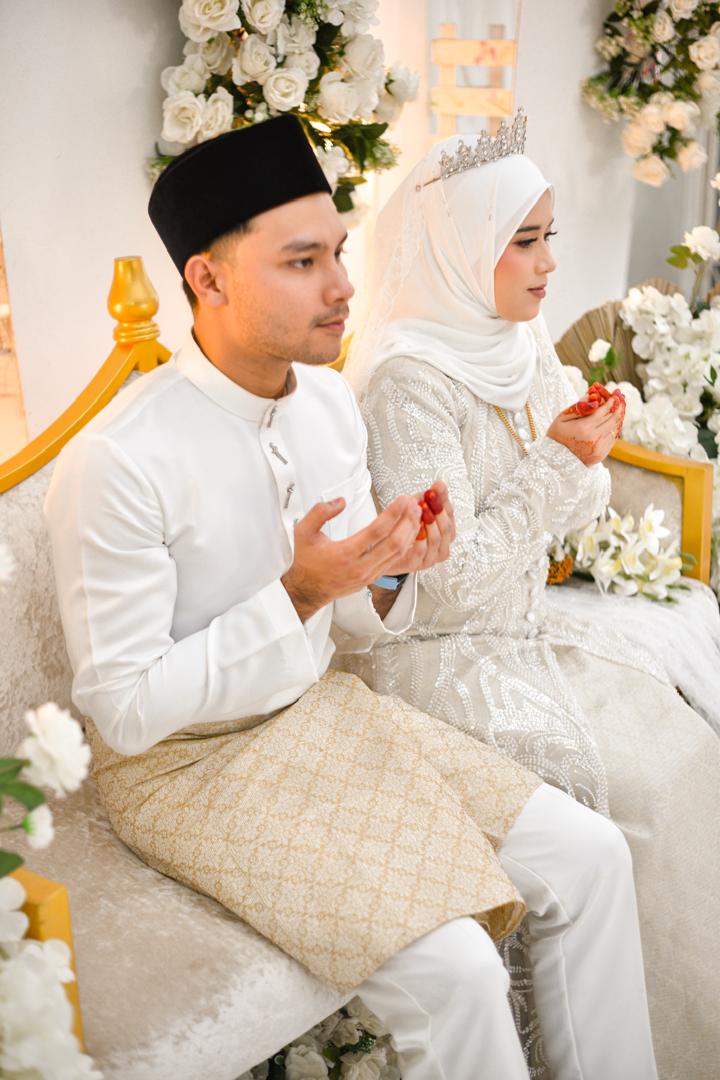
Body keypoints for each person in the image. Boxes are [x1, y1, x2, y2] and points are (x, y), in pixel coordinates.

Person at [45, 115, 657, 1080]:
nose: (342, 286)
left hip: (324, 711)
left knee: (593, 856)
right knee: (459, 967)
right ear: (207, 279)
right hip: (185, 767)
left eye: (338, 251)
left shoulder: (328, 403)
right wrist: (295, 595)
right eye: (302, 262)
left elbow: (362, 624)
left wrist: (395, 566)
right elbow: (122, 713)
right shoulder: (118, 461)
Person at [342, 110, 720, 1080]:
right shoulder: (408, 384)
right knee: (636, 798)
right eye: (524, 240)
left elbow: (575, 506)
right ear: (462, 245)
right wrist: (559, 459)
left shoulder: (518, 341)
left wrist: (580, 448)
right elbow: (448, 583)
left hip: (522, 633)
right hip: (437, 666)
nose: (550, 262)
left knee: (685, 757)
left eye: (550, 235)